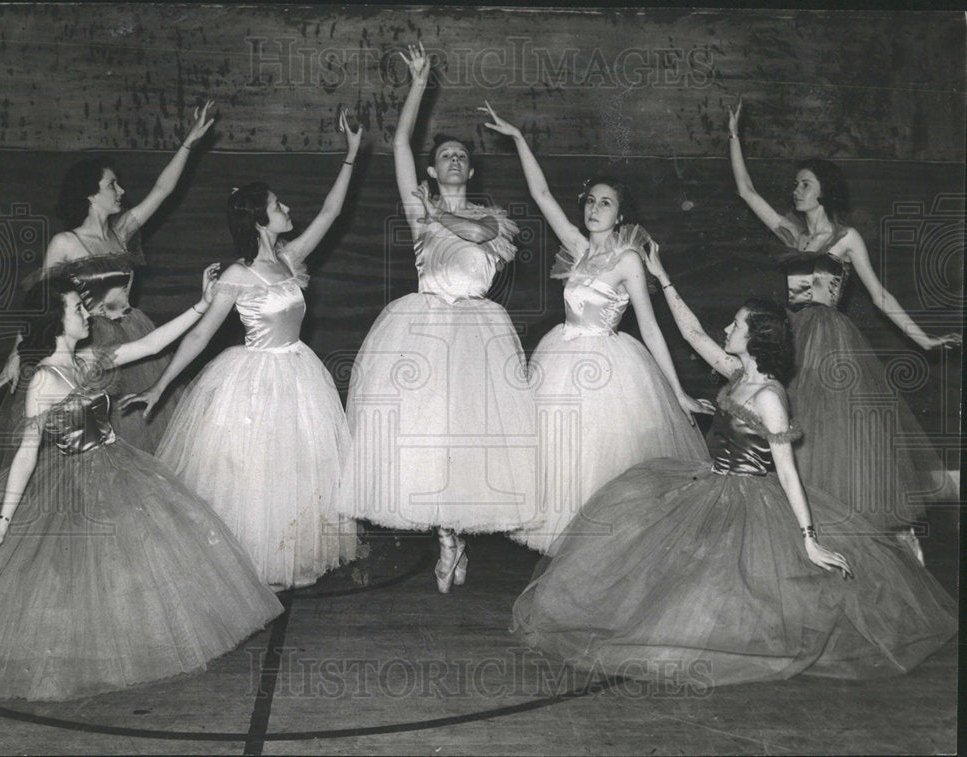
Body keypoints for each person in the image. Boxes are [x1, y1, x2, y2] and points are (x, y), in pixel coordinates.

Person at [511, 245, 956, 687]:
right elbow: (691, 333)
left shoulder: (770, 397)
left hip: (750, 498)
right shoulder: (739, 374)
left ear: (757, 335)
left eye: (736, 324)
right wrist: (663, 276)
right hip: (707, 485)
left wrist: (809, 539)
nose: (727, 328)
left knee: (718, 595)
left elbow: (787, 472)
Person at [0, 272, 283, 701]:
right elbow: (27, 451)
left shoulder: (89, 359)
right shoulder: (43, 379)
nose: (87, 314)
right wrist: (4, 524)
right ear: (55, 321)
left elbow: (151, 345)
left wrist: (203, 303)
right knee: (79, 571)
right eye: (77, 309)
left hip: (120, 466)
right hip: (73, 480)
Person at [120, 109, 362, 590]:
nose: (288, 209)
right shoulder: (236, 276)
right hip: (254, 380)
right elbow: (199, 336)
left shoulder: (290, 259)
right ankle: (250, 570)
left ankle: (283, 558)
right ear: (259, 219)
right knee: (253, 476)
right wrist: (160, 387)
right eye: (278, 205)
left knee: (294, 472)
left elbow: (332, 214)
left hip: (297, 372)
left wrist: (351, 156)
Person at [341, 45, 538, 592]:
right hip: (424, 324)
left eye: (461, 156)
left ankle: (459, 527)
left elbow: (479, 236)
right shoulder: (418, 214)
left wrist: (441, 211)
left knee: (470, 436)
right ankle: (446, 535)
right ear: (433, 168)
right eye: (445, 155)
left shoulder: (494, 219)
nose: (453, 159)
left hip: (478, 330)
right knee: (428, 433)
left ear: (470, 170)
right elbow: (401, 142)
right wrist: (420, 85)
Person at [727, 97, 960, 547]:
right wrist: (734, 136)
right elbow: (747, 193)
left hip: (830, 340)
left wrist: (924, 340)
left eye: (805, 184)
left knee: (832, 436)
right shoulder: (792, 233)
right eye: (796, 183)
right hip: (791, 337)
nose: (796, 190)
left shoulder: (846, 238)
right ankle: (802, 529)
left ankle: (871, 536)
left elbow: (880, 294)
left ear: (823, 191)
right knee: (789, 425)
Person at [480, 103, 710, 553]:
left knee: (600, 465)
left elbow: (651, 328)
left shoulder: (629, 260)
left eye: (606, 203)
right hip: (560, 362)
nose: (595, 208)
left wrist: (678, 392)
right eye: (591, 200)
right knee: (561, 462)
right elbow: (543, 196)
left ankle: (599, 556)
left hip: (608, 370)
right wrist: (520, 139)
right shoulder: (579, 249)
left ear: (620, 215)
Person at [0, 102, 217, 465]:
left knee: (140, 430)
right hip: (90, 342)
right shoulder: (65, 242)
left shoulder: (122, 232)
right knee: (91, 438)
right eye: (112, 184)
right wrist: (16, 355)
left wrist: (189, 142)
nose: (121, 190)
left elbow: (162, 190)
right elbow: (41, 303)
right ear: (92, 193)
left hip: (133, 336)